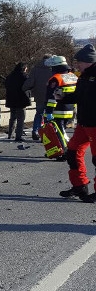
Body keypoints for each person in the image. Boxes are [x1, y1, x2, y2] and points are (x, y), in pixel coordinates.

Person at [58, 44, 96, 202]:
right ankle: (80, 186)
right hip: (83, 123)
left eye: (78, 62)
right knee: (72, 153)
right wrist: (63, 98)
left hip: (94, 124)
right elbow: (79, 96)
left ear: (88, 61)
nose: (76, 65)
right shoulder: (83, 76)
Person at [44, 55, 78, 133]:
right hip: (69, 111)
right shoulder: (73, 76)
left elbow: (52, 96)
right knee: (62, 133)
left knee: (56, 136)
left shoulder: (56, 78)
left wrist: (49, 111)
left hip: (57, 111)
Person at [22, 54, 53, 140]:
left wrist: (24, 88)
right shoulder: (53, 69)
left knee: (39, 113)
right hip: (50, 96)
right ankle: (46, 133)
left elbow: (30, 82)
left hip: (39, 95)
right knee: (48, 115)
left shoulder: (35, 69)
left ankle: (35, 130)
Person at [4, 62, 31, 141]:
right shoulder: (24, 76)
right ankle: (18, 136)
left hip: (11, 99)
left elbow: (6, 85)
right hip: (21, 100)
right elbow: (28, 86)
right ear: (24, 68)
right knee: (21, 119)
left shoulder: (10, 76)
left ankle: (10, 134)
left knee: (13, 118)